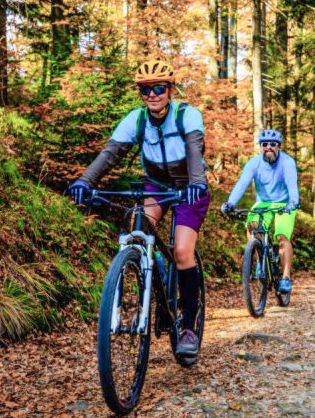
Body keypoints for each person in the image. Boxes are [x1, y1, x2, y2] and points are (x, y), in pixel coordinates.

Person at [69, 59, 209, 357]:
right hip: (156, 185)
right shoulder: (136, 119)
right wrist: (85, 181)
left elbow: (195, 152)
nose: (152, 94)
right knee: (138, 225)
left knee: (183, 252)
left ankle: (188, 327)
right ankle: (150, 263)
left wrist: (197, 182)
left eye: (159, 88)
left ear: (170, 90)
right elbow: (110, 155)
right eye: (146, 89)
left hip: (188, 187)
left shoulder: (188, 116)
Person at [221, 129, 299, 294]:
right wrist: (230, 203)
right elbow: (242, 183)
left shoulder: (287, 162)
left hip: (284, 204)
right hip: (262, 203)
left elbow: (293, 186)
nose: (268, 147)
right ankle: (259, 255)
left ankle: (285, 277)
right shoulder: (254, 163)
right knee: (252, 226)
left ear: (278, 146)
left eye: (273, 144)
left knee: (282, 237)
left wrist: (293, 202)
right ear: (260, 147)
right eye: (265, 144)